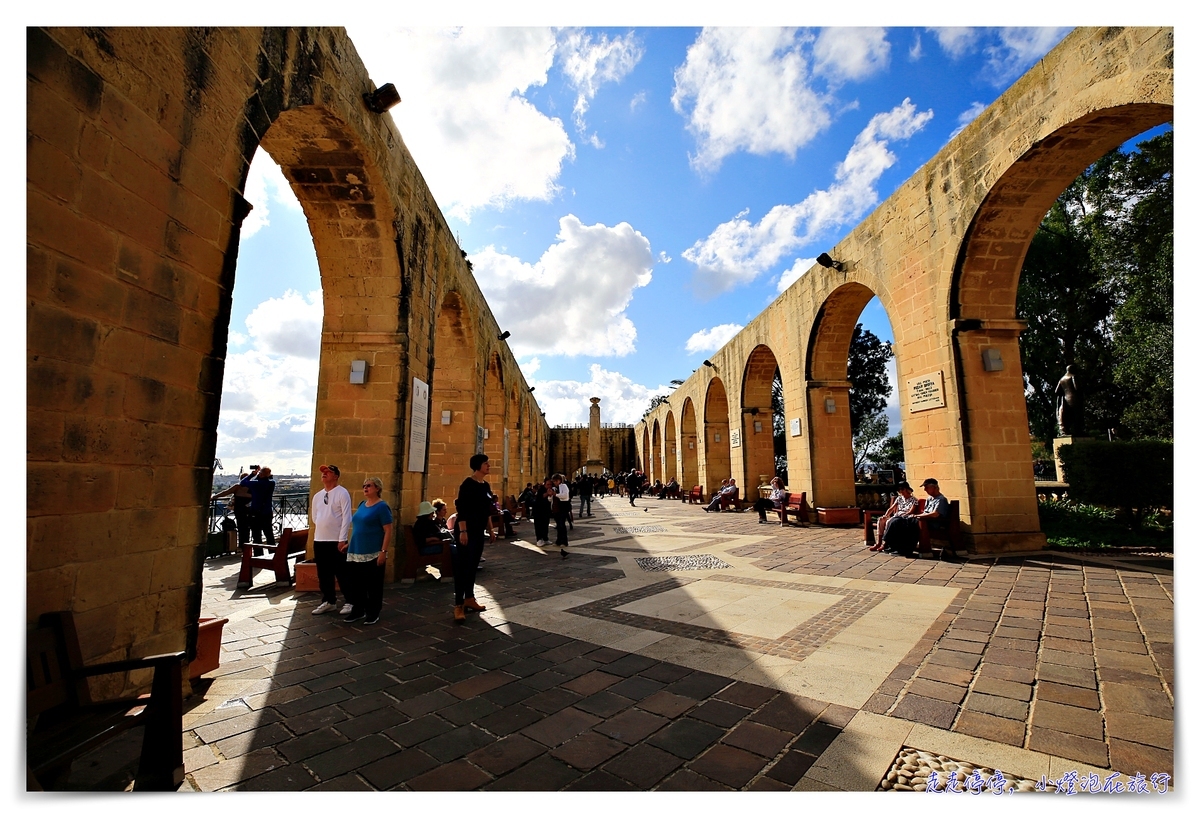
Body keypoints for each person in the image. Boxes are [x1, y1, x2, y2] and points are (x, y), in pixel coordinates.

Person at [340, 477, 392, 624]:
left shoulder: (382, 507)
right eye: (364, 486)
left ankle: (373, 612)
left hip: (373, 552)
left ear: (377, 488)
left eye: (368, 486)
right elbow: (358, 527)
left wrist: (383, 551)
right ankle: (358, 611)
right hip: (356, 550)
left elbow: (388, 530)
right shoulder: (362, 504)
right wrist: (349, 544)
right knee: (356, 584)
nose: (365, 488)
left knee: (373, 585)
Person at [452, 453, 494, 624]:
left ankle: (469, 598)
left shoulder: (485, 485)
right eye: (486, 464)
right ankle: (458, 605)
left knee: (472, 566)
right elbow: (462, 509)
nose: (489, 466)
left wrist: (491, 530)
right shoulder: (467, 485)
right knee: (463, 567)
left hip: (478, 531)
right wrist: (463, 531)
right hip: (466, 530)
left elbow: (487, 510)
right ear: (478, 466)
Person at [310, 465, 352, 615]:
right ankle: (329, 601)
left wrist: (342, 538)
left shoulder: (342, 493)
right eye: (323, 472)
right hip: (320, 539)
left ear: (336, 476)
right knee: (323, 573)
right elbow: (315, 517)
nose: (324, 474)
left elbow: (346, 517)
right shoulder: (317, 496)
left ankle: (349, 601)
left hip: (336, 540)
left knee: (342, 572)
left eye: (328, 472)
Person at [883, 478, 948, 557]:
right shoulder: (929, 499)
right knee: (897, 521)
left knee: (905, 524)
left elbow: (935, 514)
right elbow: (925, 512)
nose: (925, 490)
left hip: (930, 522)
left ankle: (904, 549)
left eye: (926, 487)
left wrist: (917, 516)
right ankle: (893, 546)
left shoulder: (941, 500)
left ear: (934, 487)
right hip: (922, 520)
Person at [869, 482, 918, 551]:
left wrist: (901, 514)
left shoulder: (914, 500)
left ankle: (885, 544)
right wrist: (886, 515)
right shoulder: (899, 498)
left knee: (889, 521)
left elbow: (910, 512)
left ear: (907, 489)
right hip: (896, 516)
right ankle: (878, 543)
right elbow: (891, 508)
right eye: (899, 490)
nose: (901, 491)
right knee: (881, 520)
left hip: (904, 518)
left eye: (902, 489)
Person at [212, 472, 253, 547]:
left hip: (239, 508)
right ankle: (247, 543)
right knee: (247, 527)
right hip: (249, 508)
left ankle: (242, 544)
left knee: (241, 526)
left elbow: (226, 492)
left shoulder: (237, 487)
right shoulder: (252, 487)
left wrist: (215, 497)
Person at [248, 466, 276, 546]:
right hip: (267, 512)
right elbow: (269, 478)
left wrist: (253, 474)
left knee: (256, 535)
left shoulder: (255, 483)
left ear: (261, 474)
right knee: (269, 534)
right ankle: (272, 552)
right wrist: (264, 474)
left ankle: (258, 554)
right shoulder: (271, 483)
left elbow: (243, 482)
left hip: (256, 512)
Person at [552, 473, 571, 558]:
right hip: (556, 508)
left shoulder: (563, 486)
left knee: (562, 524)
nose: (555, 483)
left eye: (555, 481)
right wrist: (550, 495)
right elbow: (551, 498)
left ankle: (564, 540)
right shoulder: (554, 488)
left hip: (563, 507)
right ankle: (558, 540)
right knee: (558, 525)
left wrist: (555, 494)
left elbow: (565, 496)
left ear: (559, 480)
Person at [532, 479, 553, 546]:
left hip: (546, 510)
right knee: (539, 525)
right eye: (548, 484)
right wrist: (547, 493)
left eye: (550, 484)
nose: (549, 486)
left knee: (545, 525)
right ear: (544, 484)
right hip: (538, 511)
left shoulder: (551, 489)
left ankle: (545, 538)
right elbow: (541, 497)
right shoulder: (541, 490)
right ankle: (539, 539)